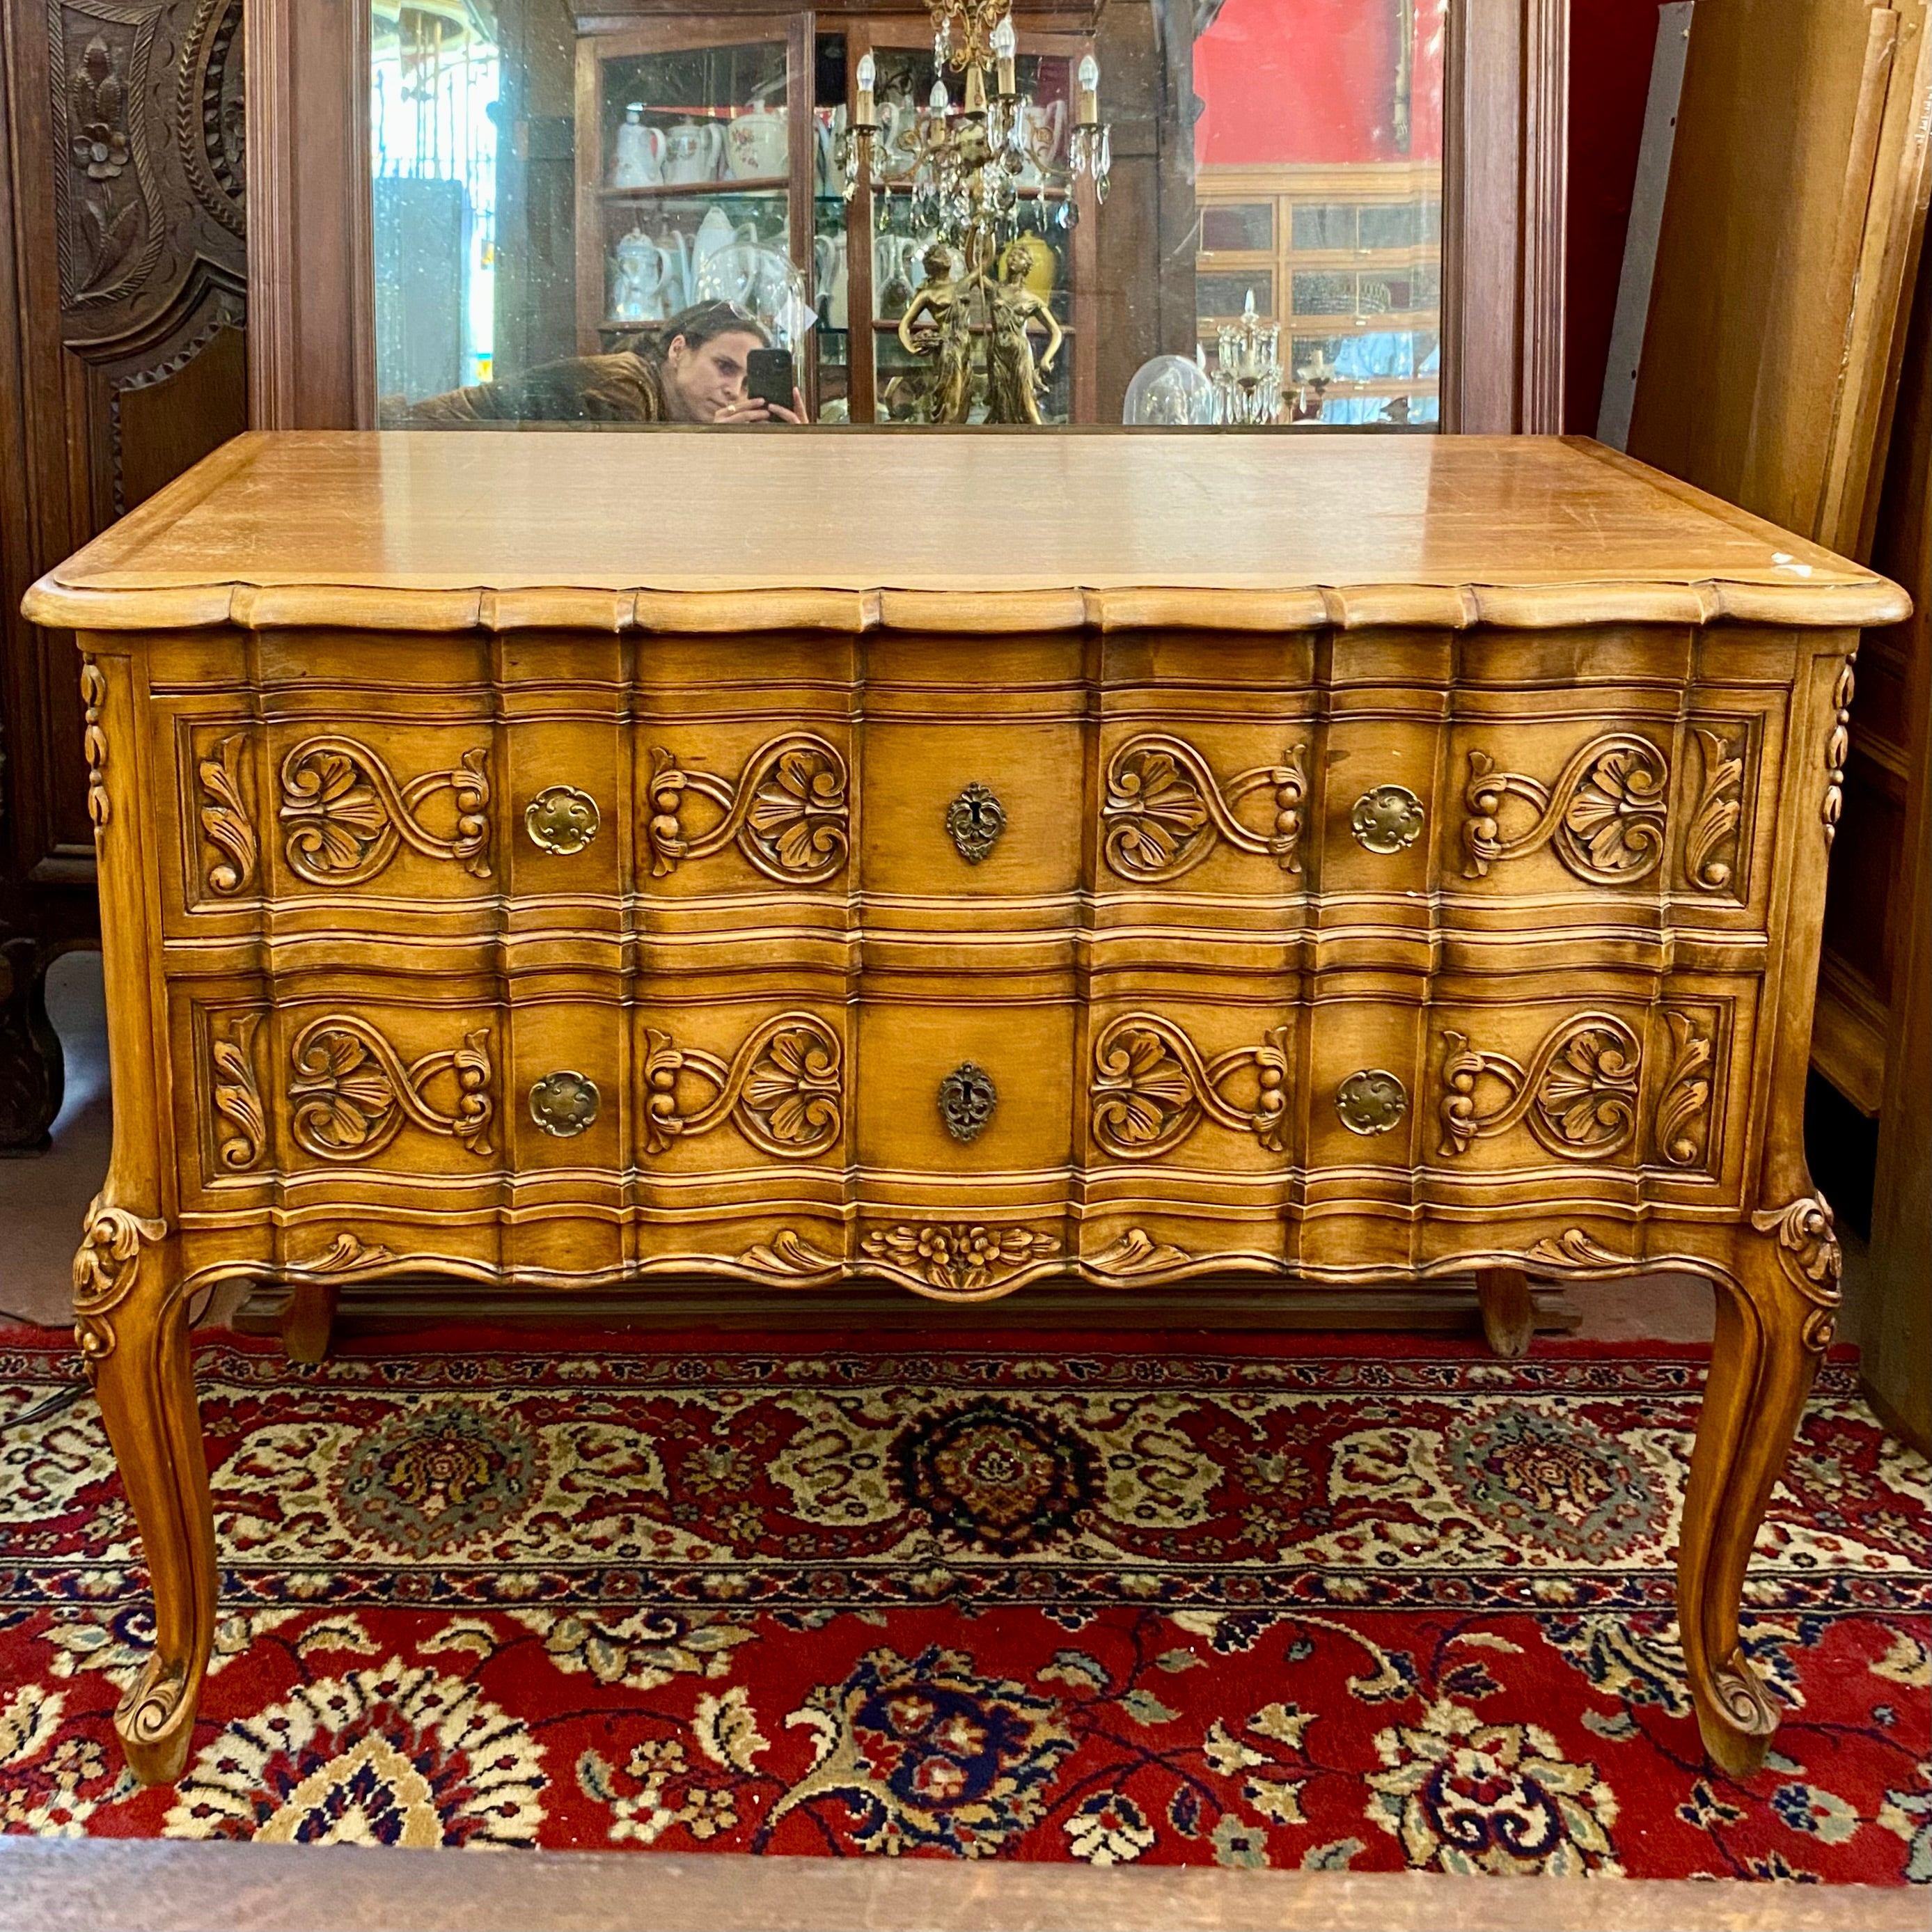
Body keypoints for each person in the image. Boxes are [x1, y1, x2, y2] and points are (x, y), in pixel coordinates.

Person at [395, 302, 807, 426]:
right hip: (409, 449)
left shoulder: (660, 405)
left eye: (747, 380)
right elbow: (635, 509)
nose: (734, 390)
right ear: (678, 349)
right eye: (724, 366)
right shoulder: (625, 387)